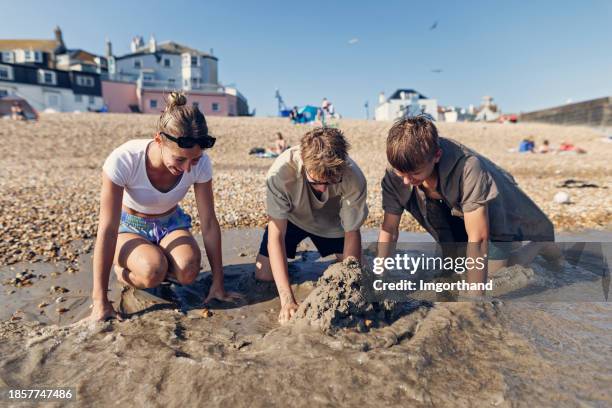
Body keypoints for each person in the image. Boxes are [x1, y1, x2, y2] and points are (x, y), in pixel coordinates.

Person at [90, 92, 240, 321]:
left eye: (195, 160)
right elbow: (107, 228)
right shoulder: (125, 159)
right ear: (159, 140)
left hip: (171, 222)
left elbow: (209, 223)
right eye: (180, 159)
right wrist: (99, 300)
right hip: (129, 226)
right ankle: (123, 271)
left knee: (189, 272)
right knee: (152, 272)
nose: (188, 168)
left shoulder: (201, 164)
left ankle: (158, 259)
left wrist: (218, 283)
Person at [378, 116, 560, 295]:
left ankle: (539, 244)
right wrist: (380, 278)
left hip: (495, 208)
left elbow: (478, 238)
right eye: (400, 172)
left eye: (414, 173)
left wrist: (474, 299)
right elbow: (390, 229)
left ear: (437, 156)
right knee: (454, 268)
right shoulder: (399, 168)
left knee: (494, 280)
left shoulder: (467, 167)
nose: (406, 181)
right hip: (454, 208)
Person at [255, 127, 369, 323]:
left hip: (332, 224)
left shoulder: (353, 177)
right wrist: (287, 299)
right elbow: (276, 236)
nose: (323, 188)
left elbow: (352, 232)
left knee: (359, 273)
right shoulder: (281, 171)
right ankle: (284, 269)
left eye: (331, 181)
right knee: (263, 275)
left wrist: (349, 283)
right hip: (292, 218)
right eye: (316, 181)